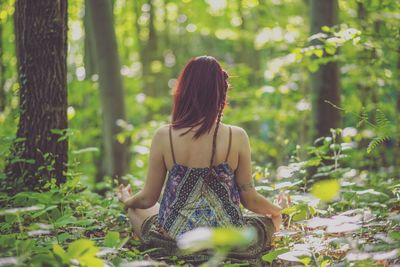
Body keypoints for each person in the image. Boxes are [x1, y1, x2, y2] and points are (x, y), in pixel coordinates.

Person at [117, 55, 286, 265]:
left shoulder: (165, 136)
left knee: (137, 209)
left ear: (183, 91)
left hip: (176, 244)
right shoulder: (237, 136)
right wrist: (279, 210)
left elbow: (147, 199)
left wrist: (126, 200)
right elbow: (249, 198)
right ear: (220, 92)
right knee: (270, 220)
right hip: (229, 242)